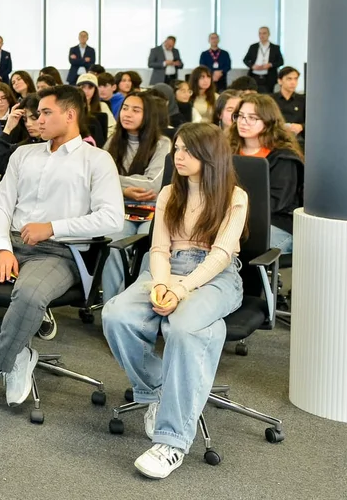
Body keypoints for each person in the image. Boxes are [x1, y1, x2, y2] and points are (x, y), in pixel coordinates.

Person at [0, 86, 123, 409]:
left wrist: (53, 228)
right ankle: (13, 353)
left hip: (60, 251)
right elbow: (1, 207)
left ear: (70, 115)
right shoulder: (23, 154)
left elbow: (112, 219)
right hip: (11, 243)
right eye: (37, 114)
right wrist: (2, 248)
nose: (38, 120)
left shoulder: (96, 160)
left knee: (30, 294)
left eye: (46, 113)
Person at [102, 122, 247, 480]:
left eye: (187, 151)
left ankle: (173, 442)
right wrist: (161, 285)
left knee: (183, 328)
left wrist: (180, 292)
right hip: (167, 269)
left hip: (215, 276)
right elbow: (159, 248)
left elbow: (221, 255)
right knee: (117, 314)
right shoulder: (169, 192)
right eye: (177, 149)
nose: (177, 157)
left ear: (209, 156)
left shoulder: (235, 196)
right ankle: (156, 390)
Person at [102, 91, 172, 298]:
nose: (127, 114)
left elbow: (152, 185)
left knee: (151, 251)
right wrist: (123, 189)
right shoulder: (112, 141)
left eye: (136, 110)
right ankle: (111, 306)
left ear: (148, 115)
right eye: (125, 108)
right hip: (121, 208)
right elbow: (96, 177)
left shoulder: (162, 144)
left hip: (152, 210)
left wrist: (112, 180)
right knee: (112, 245)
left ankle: (137, 303)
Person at [228, 93, 303, 254]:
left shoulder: (283, 157)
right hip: (233, 221)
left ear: (268, 122)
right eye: (240, 116)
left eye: (252, 118)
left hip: (274, 224)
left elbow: (275, 203)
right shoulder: (228, 151)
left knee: (236, 245)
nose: (243, 122)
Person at [0, 93, 43, 176]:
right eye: (25, 119)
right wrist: (8, 128)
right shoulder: (22, 148)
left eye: (34, 118)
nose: (28, 124)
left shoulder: (59, 146)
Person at [243, 27, 284, 94]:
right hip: (254, 75)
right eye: (260, 33)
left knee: (268, 95)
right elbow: (245, 60)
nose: (262, 35)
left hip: (269, 76)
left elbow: (281, 62)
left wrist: (270, 65)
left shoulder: (275, 48)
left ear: (268, 34)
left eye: (264, 33)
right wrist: (252, 66)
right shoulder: (253, 47)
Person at [77, 73, 115, 141]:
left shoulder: (102, 106)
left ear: (95, 90)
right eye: (83, 87)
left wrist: (103, 140)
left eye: (90, 87)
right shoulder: (72, 107)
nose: (86, 91)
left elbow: (113, 128)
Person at [275, 67, 305, 135]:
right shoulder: (271, 99)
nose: (293, 82)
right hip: (276, 137)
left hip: (298, 139)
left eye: (296, 79)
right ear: (280, 81)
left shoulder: (303, 100)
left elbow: (310, 122)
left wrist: (301, 126)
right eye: (289, 79)